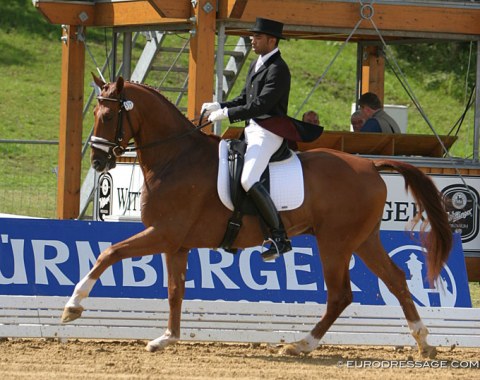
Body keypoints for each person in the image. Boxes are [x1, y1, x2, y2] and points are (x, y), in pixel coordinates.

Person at [201, 17, 292, 261]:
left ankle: (279, 237)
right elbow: (245, 99)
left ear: (272, 41)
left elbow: (261, 105)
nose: (252, 40)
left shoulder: (278, 69)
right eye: (253, 36)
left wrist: (227, 114)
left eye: (258, 37)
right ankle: (235, 230)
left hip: (269, 131)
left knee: (249, 178)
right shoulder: (257, 64)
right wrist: (220, 105)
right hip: (252, 130)